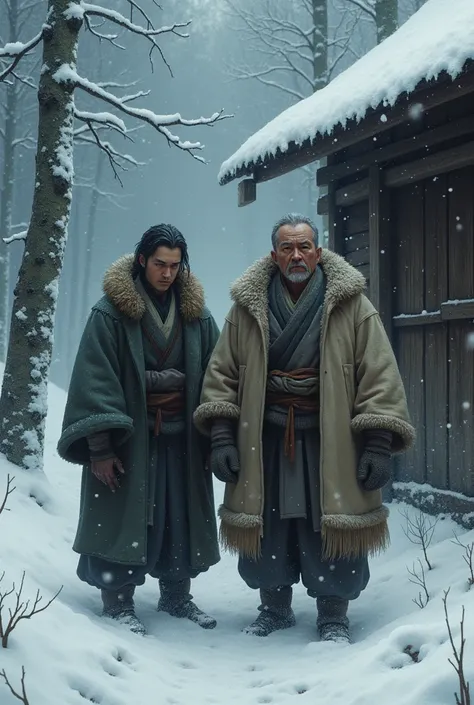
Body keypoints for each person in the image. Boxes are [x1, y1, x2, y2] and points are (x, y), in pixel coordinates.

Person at [194, 213, 415, 643]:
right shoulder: (246, 309)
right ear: (273, 254)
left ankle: (333, 613)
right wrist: (222, 436)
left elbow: (379, 376)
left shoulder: (352, 306)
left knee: (329, 523)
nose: (296, 255)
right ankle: (273, 607)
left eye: (304, 247)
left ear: (318, 252)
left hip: (331, 440)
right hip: (266, 439)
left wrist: (377, 444)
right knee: (270, 523)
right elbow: (222, 374)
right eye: (287, 248)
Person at [58, 224, 220, 635]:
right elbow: (96, 380)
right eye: (160, 264)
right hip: (130, 440)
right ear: (142, 260)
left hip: (181, 438)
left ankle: (176, 596)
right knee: (122, 519)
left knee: (177, 517)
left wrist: (214, 434)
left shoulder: (197, 316)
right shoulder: (110, 313)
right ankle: (118, 600)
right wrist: (99, 448)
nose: (167, 273)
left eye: (175, 265)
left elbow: (218, 375)